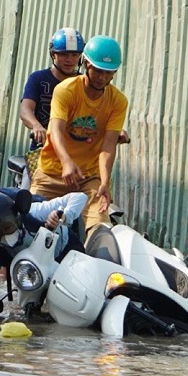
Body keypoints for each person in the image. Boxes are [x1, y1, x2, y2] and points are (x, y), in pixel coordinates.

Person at [29, 35, 128, 235]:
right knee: (26, 222)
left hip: (88, 177)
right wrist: (66, 162)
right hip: (52, 172)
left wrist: (105, 183)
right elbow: (55, 129)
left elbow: (109, 145)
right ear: (86, 64)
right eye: (98, 71)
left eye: (108, 73)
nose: (102, 78)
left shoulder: (118, 101)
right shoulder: (66, 90)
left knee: (100, 228)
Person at [0, 190, 87, 318]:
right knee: (32, 315)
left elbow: (80, 197)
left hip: (66, 252)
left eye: (7, 227)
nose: (6, 237)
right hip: (34, 276)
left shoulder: (34, 213)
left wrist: (63, 216)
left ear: (16, 217)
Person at [20, 28, 85, 151]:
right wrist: (36, 126)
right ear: (53, 54)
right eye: (64, 54)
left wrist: (114, 131)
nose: (69, 60)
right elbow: (25, 110)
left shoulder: (84, 83)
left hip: (75, 151)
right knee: (34, 171)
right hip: (42, 148)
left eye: (74, 55)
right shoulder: (38, 78)